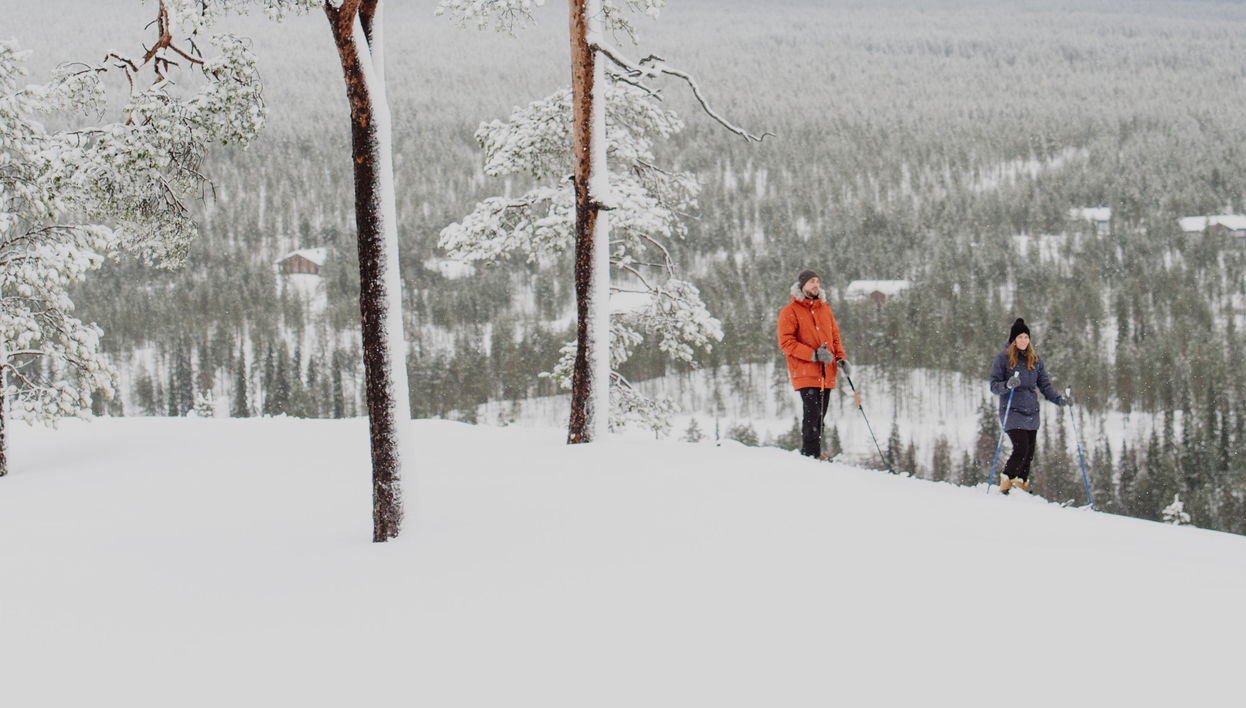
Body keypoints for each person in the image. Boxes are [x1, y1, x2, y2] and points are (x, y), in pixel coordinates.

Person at [988, 318, 1068, 494]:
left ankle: (1021, 483)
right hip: (1012, 410)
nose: (1023, 340)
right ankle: (1006, 481)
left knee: (1029, 453)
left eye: (1026, 337)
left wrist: (1058, 399)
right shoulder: (1003, 359)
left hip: (1031, 412)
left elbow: (1044, 385)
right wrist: (1008, 385)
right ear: (1013, 340)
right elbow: (994, 385)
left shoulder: (1035, 360)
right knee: (1021, 448)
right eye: (1020, 337)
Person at [778, 269, 849, 459]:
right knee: (812, 413)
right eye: (811, 282)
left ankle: (814, 454)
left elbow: (835, 338)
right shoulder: (790, 311)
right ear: (802, 286)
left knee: (820, 416)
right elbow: (786, 343)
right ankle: (810, 455)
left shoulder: (825, 309)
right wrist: (813, 355)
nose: (815, 285)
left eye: (817, 281)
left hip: (827, 371)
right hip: (804, 371)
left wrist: (841, 358)